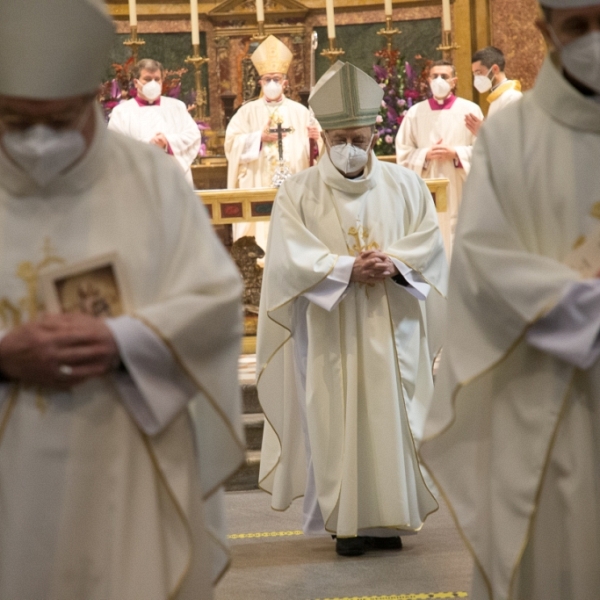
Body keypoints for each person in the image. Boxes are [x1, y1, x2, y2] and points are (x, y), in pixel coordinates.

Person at [0, 1, 244, 598]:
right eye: (13, 119)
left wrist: (121, 340)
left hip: (124, 450)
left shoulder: (150, 178)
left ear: (92, 100)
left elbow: (213, 298)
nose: (37, 140)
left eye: (58, 121)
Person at [420, 1, 600, 598]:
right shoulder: (513, 135)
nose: (594, 40)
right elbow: (482, 260)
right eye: (579, 26)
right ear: (546, 32)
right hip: (552, 395)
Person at [256, 61, 448, 557]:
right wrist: (343, 270)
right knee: (335, 417)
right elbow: (286, 259)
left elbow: (429, 244)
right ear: (322, 136)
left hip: (393, 322)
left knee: (392, 414)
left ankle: (389, 520)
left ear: (372, 136)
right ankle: (346, 524)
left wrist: (395, 262)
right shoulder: (298, 193)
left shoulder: (406, 186)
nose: (350, 148)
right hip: (329, 327)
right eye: (340, 138)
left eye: (358, 139)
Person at [224, 34, 320, 253]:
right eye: (267, 79)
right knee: (259, 245)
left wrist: (318, 138)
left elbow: (317, 153)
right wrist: (258, 138)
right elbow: (231, 146)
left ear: (285, 82)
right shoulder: (246, 112)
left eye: (277, 79)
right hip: (258, 188)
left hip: (295, 190)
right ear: (260, 82)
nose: (272, 84)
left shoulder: (301, 112)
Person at [395, 60, 483, 258]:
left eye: (444, 76)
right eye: (434, 76)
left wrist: (457, 154)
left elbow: (484, 150)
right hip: (428, 186)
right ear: (428, 81)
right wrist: (424, 155)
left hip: (459, 185)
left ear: (454, 81)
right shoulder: (415, 113)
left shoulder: (470, 110)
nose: (439, 80)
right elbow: (403, 152)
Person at [108, 58, 201, 187]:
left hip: (173, 181)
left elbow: (193, 136)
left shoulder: (177, 107)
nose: (153, 83)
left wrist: (167, 142)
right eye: (147, 79)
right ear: (136, 82)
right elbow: (114, 148)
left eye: (157, 79)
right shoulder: (121, 112)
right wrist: (148, 144)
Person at [465, 46, 523, 136]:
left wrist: (484, 132)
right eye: (474, 74)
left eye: (479, 73)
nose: (476, 79)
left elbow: (514, 138)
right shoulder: (498, 97)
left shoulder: (512, 97)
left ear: (495, 69)